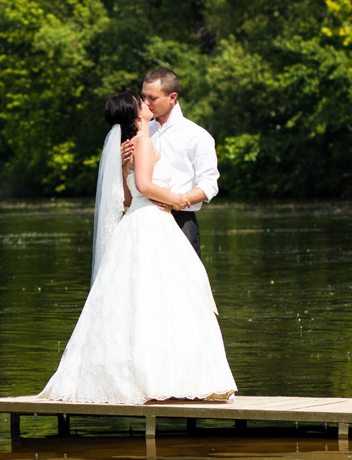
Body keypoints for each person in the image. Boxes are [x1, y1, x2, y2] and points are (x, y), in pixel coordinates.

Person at [39, 91, 235, 404]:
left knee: (139, 299)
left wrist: (135, 180)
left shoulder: (129, 149)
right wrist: (179, 199)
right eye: (141, 102)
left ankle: (141, 376)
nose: (147, 104)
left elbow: (128, 199)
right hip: (153, 223)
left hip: (139, 221)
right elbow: (143, 188)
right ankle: (161, 379)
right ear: (135, 114)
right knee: (163, 299)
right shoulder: (142, 144)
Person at [122, 68, 219, 258]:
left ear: (172, 97)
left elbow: (209, 184)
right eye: (143, 97)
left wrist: (177, 202)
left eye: (152, 98)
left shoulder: (197, 136)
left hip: (181, 221)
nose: (145, 103)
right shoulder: (138, 132)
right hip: (141, 221)